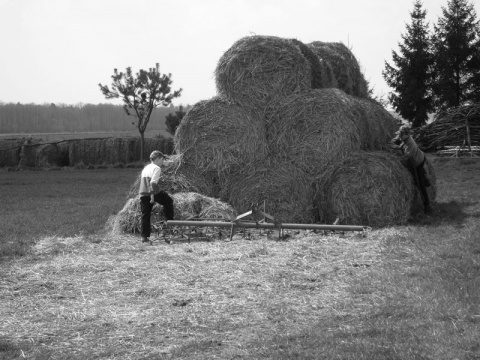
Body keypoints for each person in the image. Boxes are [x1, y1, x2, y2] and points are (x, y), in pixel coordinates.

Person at [390, 125, 433, 215]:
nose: (400, 136)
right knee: (420, 177)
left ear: (406, 134)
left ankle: (427, 205)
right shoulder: (402, 135)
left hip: (417, 162)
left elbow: (406, 157)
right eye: (399, 134)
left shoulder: (410, 143)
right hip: (419, 156)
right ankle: (424, 176)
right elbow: (393, 141)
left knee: (419, 184)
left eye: (401, 134)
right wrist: (393, 143)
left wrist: (395, 161)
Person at [139, 150, 174, 243]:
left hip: (142, 192)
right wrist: (152, 196)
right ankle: (170, 224)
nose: (163, 162)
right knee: (169, 201)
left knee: (145, 214)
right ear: (157, 158)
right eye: (162, 159)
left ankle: (144, 237)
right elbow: (153, 183)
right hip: (153, 192)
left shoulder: (146, 168)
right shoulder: (157, 168)